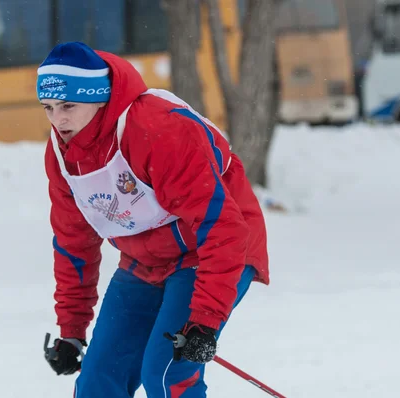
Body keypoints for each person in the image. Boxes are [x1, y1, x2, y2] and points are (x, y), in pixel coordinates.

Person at [41, 42, 269, 397]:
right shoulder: (62, 155)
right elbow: (73, 243)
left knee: (166, 373)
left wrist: (205, 321)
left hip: (209, 251)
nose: (59, 120)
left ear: (100, 99)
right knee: (98, 381)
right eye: (49, 108)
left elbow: (221, 229)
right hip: (144, 261)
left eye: (69, 106)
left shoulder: (158, 130)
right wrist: (72, 329)